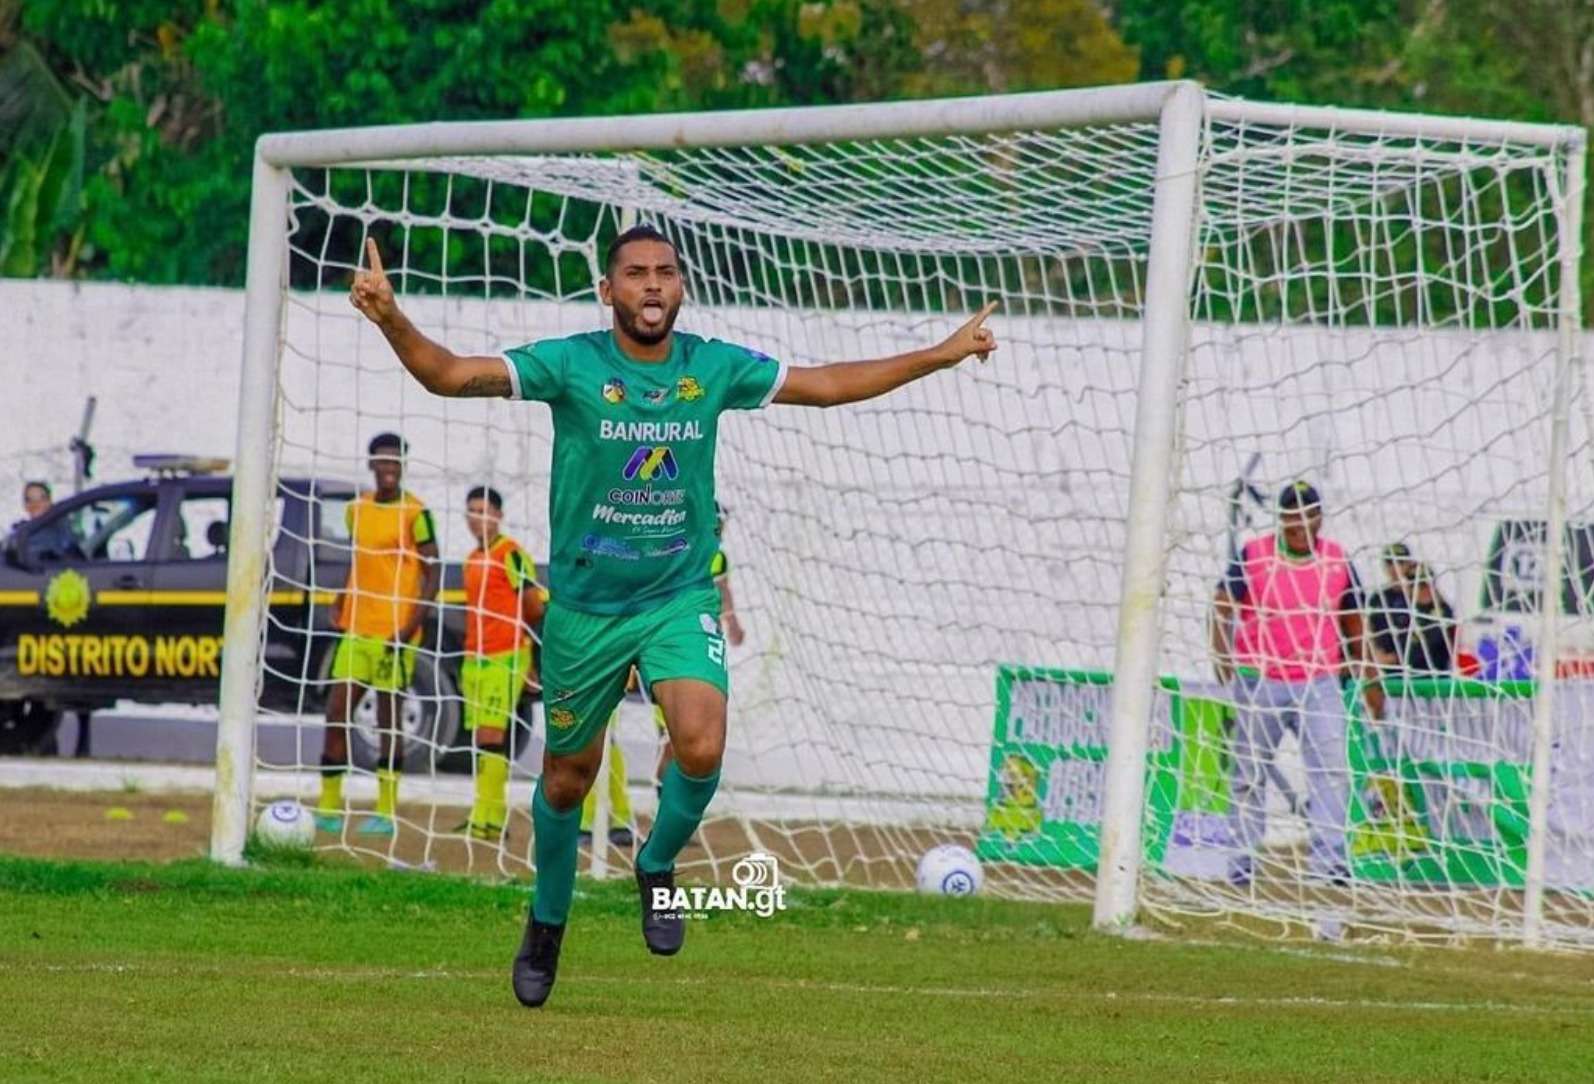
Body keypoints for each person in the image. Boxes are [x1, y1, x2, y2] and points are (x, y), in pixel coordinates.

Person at [348, 226, 998, 1008]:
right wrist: (389, 317)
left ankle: (656, 864)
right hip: (585, 609)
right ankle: (546, 923)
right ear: (608, 290)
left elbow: (824, 385)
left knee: (700, 740)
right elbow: (450, 375)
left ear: (681, 287)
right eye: (635, 274)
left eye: (665, 273)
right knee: (566, 778)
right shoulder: (573, 364)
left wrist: (941, 352)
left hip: (677, 596)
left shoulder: (712, 367)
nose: (652, 285)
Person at [1209, 481, 1369, 886]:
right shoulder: (1254, 554)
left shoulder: (1337, 560)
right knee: (1248, 774)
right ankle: (1241, 862)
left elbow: (1353, 620)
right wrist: (1222, 655)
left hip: (1320, 681)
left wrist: (1366, 672)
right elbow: (1223, 603)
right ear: (1281, 518)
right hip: (1261, 678)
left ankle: (1329, 865)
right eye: (1291, 515)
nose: (1299, 523)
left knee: (1332, 772)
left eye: (1307, 514)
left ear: (1319, 517)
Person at [578, 502, 744, 849]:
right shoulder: (676, 551)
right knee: (629, 734)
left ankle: (669, 820)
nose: (718, 528)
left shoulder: (719, 558)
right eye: (713, 521)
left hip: (698, 656)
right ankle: (617, 817)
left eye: (721, 522)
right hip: (665, 655)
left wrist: (732, 621)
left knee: (679, 742)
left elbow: (724, 589)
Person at [314, 433, 441, 837]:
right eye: (382, 461)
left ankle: (385, 811)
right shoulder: (357, 509)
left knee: (388, 721)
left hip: (395, 631)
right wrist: (341, 597)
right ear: (371, 464)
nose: (389, 468)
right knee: (337, 711)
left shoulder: (416, 513)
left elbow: (432, 571)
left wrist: (411, 624)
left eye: (396, 461)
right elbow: (361, 561)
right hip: (356, 626)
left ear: (403, 465)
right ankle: (329, 805)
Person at [457, 484, 543, 842]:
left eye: (484, 511)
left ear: (498, 515)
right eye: (472, 511)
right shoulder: (472, 559)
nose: (478, 518)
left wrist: (531, 660)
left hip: (506, 655)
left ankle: (487, 818)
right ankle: (489, 817)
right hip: (474, 656)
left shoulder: (512, 553)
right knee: (481, 738)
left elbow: (534, 605)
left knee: (493, 733)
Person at [1368, 544, 1457, 677]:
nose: (1395, 568)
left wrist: (1391, 659)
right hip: (1396, 676)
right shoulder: (1388, 602)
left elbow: (1422, 648)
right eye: (1415, 585)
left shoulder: (1441, 611)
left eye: (1424, 584)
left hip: (1432, 679)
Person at [20, 481, 78, 561]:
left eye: (41, 499)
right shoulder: (23, 531)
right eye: (29, 500)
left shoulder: (61, 526)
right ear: (25, 506)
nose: (35, 504)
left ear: (49, 502)